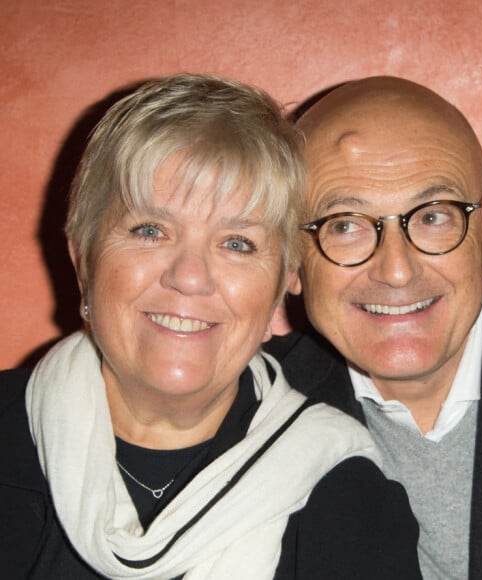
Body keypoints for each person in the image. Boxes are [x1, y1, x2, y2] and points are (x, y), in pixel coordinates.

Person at [0, 74, 422, 579]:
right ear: (83, 262)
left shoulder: (347, 499)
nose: (190, 277)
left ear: (282, 284)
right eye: (150, 231)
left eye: (237, 243)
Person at [265, 76, 482, 579]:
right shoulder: (248, 413)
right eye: (344, 224)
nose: (396, 269)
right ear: (291, 257)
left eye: (434, 216)